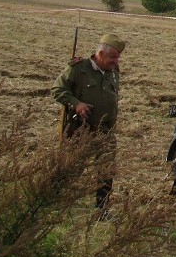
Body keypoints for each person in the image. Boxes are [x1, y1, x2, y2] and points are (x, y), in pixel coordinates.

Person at [51, 33, 126, 213]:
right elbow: (57, 90)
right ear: (100, 54)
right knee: (71, 167)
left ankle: (102, 209)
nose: (116, 61)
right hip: (79, 130)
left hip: (104, 131)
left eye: (118, 57)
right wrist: (76, 104)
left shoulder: (113, 72)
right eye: (113, 57)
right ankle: (55, 203)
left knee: (106, 171)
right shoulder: (78, 69)